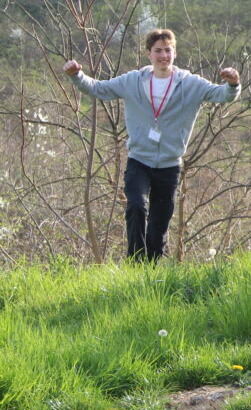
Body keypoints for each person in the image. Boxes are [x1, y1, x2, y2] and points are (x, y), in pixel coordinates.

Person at [63, 28, 241, 261]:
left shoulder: (191, 84)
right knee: (136, 206)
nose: (163, 56)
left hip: (169, 165)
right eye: (158, 51)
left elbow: (223, 95)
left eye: (168, 50)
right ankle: (135, 262)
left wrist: (233, 84)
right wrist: (76, 75)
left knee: (158, 227)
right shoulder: (133, 81)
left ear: (175, 53)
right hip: (139, 160)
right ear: (149, 54)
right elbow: (98, 88)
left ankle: (151, 271)